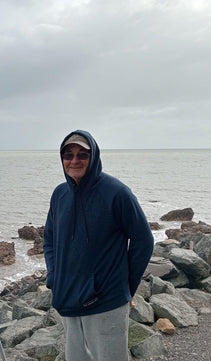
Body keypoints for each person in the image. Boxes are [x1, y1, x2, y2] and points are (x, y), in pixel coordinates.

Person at [43, 130, 154, 361]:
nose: (74, 161)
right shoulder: (59, 194)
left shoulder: (117, 193)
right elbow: (50, 239)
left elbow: (143, 241)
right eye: (68, 154)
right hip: (68, 299)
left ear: (93, 157)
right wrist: (55, 277)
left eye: (82, 154)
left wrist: (127, 287)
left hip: (106, 302)